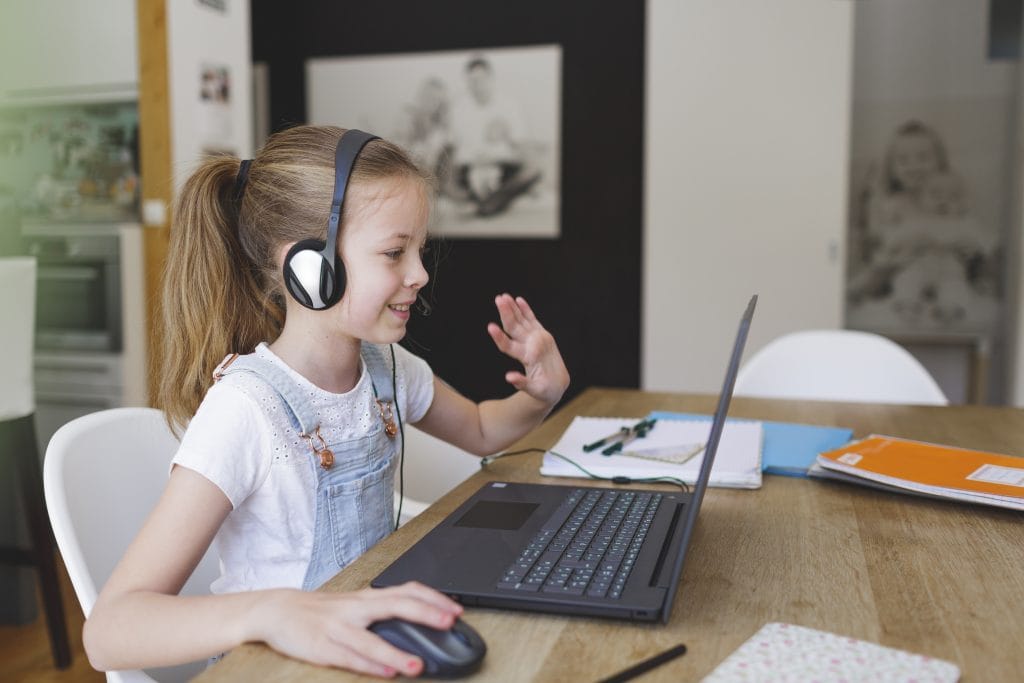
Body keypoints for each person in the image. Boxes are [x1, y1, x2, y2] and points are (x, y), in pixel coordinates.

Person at [82, 126, 570, 678]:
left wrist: (537, 397)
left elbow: (482, 430)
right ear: (310, 268)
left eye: (419, 250)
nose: (420, 274)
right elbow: (109, 632)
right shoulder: (246, 410)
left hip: (363, 649)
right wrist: (272, 611)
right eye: (394, 252)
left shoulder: (386, 370)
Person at [448, 55, 542, 217]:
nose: (477, 85)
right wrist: (477, 164)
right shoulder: (459, 108)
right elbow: (456, 148)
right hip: (471, 165)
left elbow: (520, 144)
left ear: (491, 78)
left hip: (502, 164)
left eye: (481, 79)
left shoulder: (509, 104)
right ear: (467, 82)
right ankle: (489, 199)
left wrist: (496, 158)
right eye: (472, 80)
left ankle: (487, 203)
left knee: (533, 170)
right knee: (447, 177)